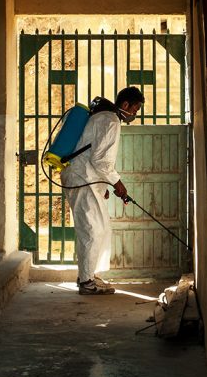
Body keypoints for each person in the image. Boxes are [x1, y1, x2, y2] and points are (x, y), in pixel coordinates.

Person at [60, 86, 145, 295]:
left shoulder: (102, 117)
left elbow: (93, 154)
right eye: (135, 109)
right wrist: (117, 184)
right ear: (125, 105)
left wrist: (103, 184)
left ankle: (88, 275)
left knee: (99, 229)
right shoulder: (111, 121)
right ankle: (87, 282)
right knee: (92, 230)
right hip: (82, 179)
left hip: (85, 178)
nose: (134, 114)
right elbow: (100, 160)